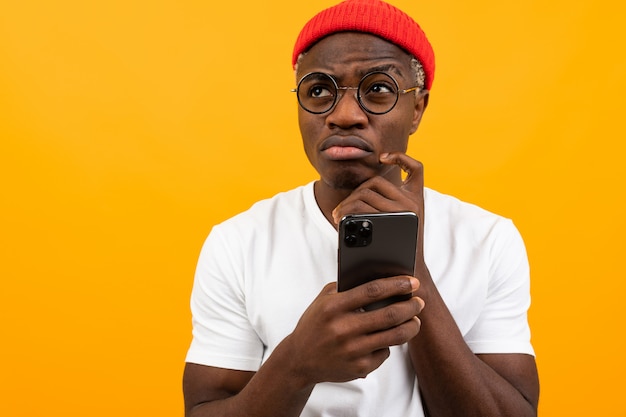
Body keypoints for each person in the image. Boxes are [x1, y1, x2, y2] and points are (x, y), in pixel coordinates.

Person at [182, 0, 540, 415]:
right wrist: (297, 363)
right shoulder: (238, 242)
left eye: (378, 90)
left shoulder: (488, 240)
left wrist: (412, 267)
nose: (345, 115)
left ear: (417, 109)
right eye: (319, 91)